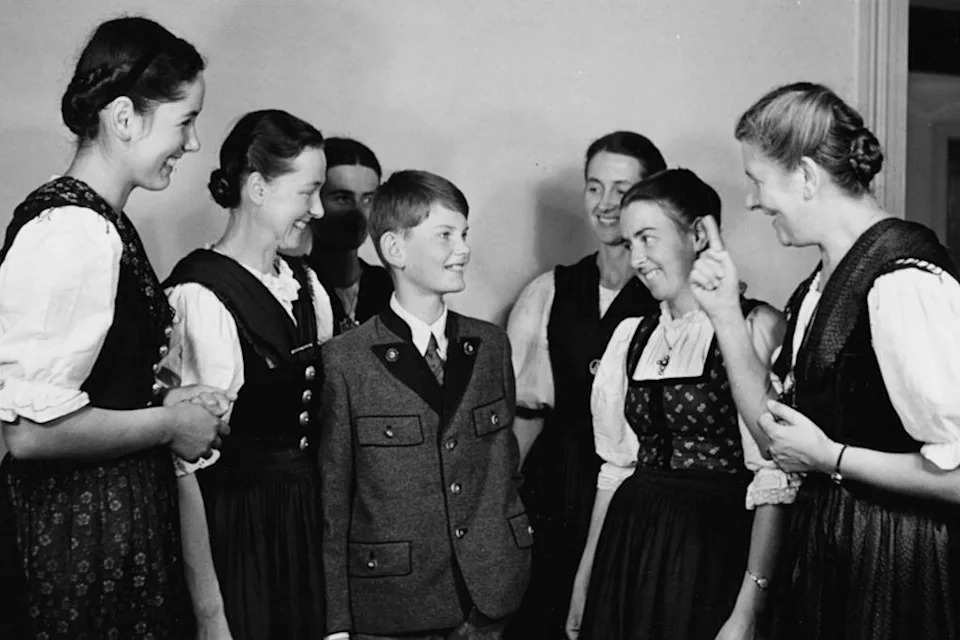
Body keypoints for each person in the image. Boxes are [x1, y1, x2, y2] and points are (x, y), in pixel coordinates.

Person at [690, 81, 960, 640]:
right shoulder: (819, 287)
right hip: (829, 558)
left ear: (807, 176)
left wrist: (832, 455)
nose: (751, 200)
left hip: (897, 573)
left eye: (757, 180)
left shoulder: (904, 284)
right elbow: (777, 442)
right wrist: (721, 314)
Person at [0, 17, 230, 638]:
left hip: (111, 524)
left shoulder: (102, 223)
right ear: (124, 118)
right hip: (76, 537)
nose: (193, 143)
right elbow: (28, 433)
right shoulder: (73, 230)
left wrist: (160, 398)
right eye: (184, 121)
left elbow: (93, 386)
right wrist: (171, 423)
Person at [564, 169, 794, 640]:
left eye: (649, 238)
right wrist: (585, 581)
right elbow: (614, 469)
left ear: (699, 235)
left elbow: (775, 477)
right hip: (629, 551)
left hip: (713, 554)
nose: (639, 259)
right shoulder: (631, 337)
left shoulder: (756, 328)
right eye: (630, 243)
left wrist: (748, 612)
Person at [320, 170, 531, 639]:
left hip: (487, 601)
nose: (463, 250)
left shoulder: (491, 345)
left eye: (465, 234)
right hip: (394, 608)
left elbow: (504, 468)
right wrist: (337, 625)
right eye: (445, 235)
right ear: (395, 249)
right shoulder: (345, 361)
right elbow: (334, 504)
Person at [162, 109, 334, 640]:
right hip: (236, 533)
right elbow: (184, 467)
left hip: (302, 524)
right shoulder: (199, 296)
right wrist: (211, 613)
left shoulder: (306, 286)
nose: (320, 210)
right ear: (258, 188)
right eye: (308, 192)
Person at [505, 131, 663, 638]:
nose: (607, 204)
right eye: (594, 188)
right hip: (556, 483)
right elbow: (523, 417)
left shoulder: (672, 296)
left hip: (636, 491)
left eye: (623, 189)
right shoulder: (550, 290)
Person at [305, 137, 392, 333]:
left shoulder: (388, 284)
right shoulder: (292, 285)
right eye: (342, 198)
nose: (358, 213)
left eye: (368, 199)